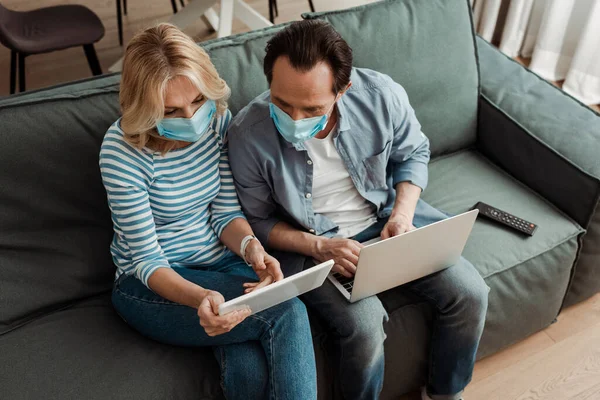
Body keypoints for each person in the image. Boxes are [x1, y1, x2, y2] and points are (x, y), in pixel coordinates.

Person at [228, 20, 489, 400]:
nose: (295, 120)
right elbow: (259, 221)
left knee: (471, 293)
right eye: (282, 104)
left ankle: (445, 393)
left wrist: (401, 214)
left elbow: (413, 153)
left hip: (385, 222)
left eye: (312, 107)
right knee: (365, 327)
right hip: (313, 247)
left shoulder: (381, 94)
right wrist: (320, 248)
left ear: (343, 91)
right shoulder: (247, 134)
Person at [99, 23, 316, 400]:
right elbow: (148, 261)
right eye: (171, 111)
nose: (192, 119)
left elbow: (224, 212)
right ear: (145, 108)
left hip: (223, 266)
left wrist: (252, 248)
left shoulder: (217, 119)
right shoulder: (121, 155)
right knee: (288, 312)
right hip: (150, 282)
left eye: (197, 101)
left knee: (248, 371)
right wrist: (201, 297)